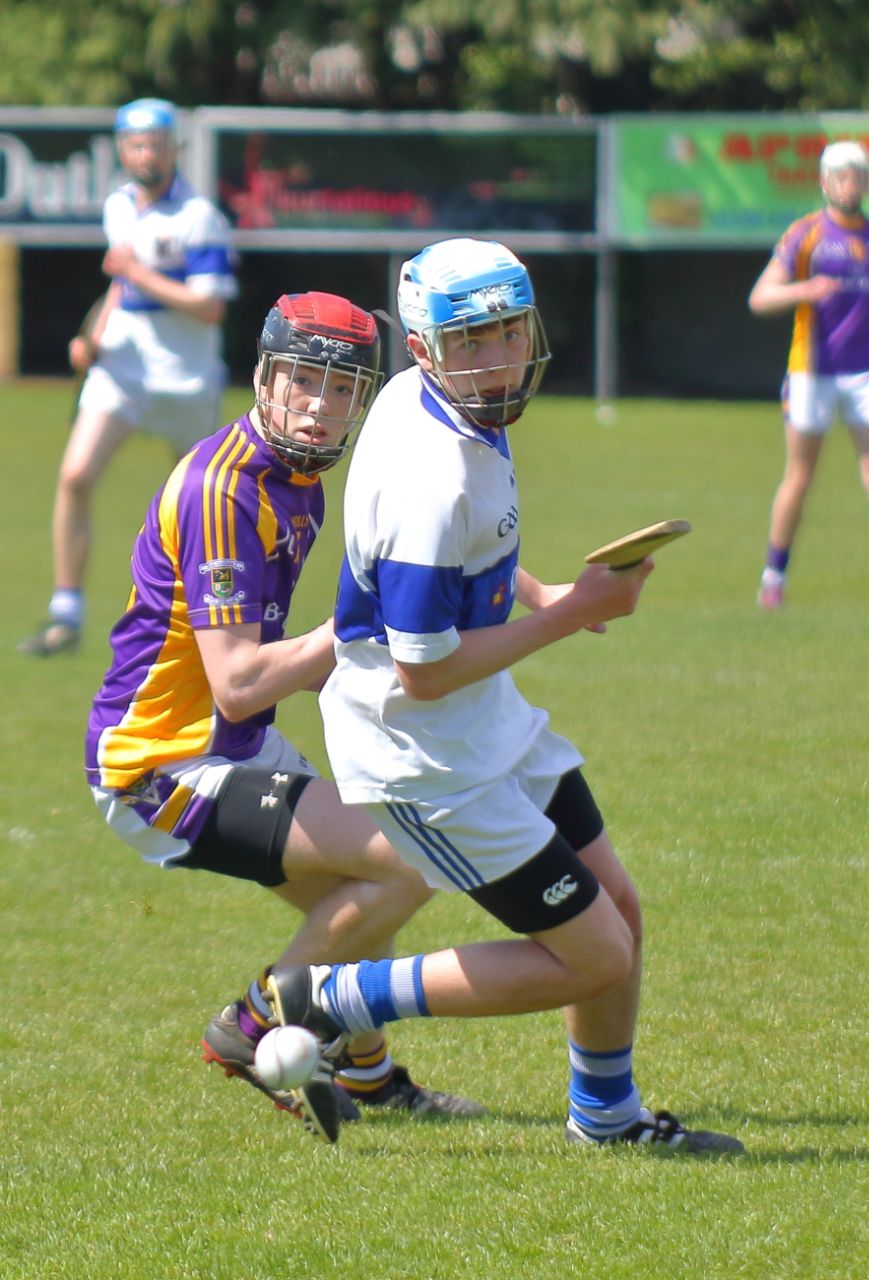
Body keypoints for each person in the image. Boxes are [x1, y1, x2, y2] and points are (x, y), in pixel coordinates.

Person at [267, 238, 745, 1156]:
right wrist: (579, 616)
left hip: (484, 720)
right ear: (420, 348)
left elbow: (475, 557)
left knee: (620, 910)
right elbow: (424, 668)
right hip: (426, 754)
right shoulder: (429, 478)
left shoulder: (444, 405)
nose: (497, 359)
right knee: (596, 953)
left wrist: (544, 594)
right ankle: (333, 996)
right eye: (471, 340)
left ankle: (606, 1119)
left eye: (509, 331)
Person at [85, 290, 486, 1143]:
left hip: (233, 742)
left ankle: (367, 1076)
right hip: (161, 765)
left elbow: (270, 667)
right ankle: (257, 1019)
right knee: (407, 864)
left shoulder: (297, 483)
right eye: (303, 380)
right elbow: (238, 682)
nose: (320, 405)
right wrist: (357, 629)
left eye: (343, 390)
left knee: (364, 894)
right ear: (265, 377)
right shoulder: (225, 491)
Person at [21, 98, 239, 657]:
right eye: (137, 145)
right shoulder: (119, 206)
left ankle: (207, 621)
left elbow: (210, 307)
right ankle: (65, 612)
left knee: (200, 506)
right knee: (74, 475)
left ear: (173, 149)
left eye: (157, 144)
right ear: (123, 149)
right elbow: (122, 290)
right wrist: (89, 334)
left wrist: (137, 271)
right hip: (123, 372)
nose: (147, 154)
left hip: (186, 383)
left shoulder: (199, 216)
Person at [749, 140, 869, 613]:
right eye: (843, 175)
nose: (852, 183)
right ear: (825, 181)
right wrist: (805, 288)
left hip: (868, 371)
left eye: (859, 175)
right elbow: (761, 296)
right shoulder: (805, 234)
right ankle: (774, 576)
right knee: (800, 477)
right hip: (812, 373)